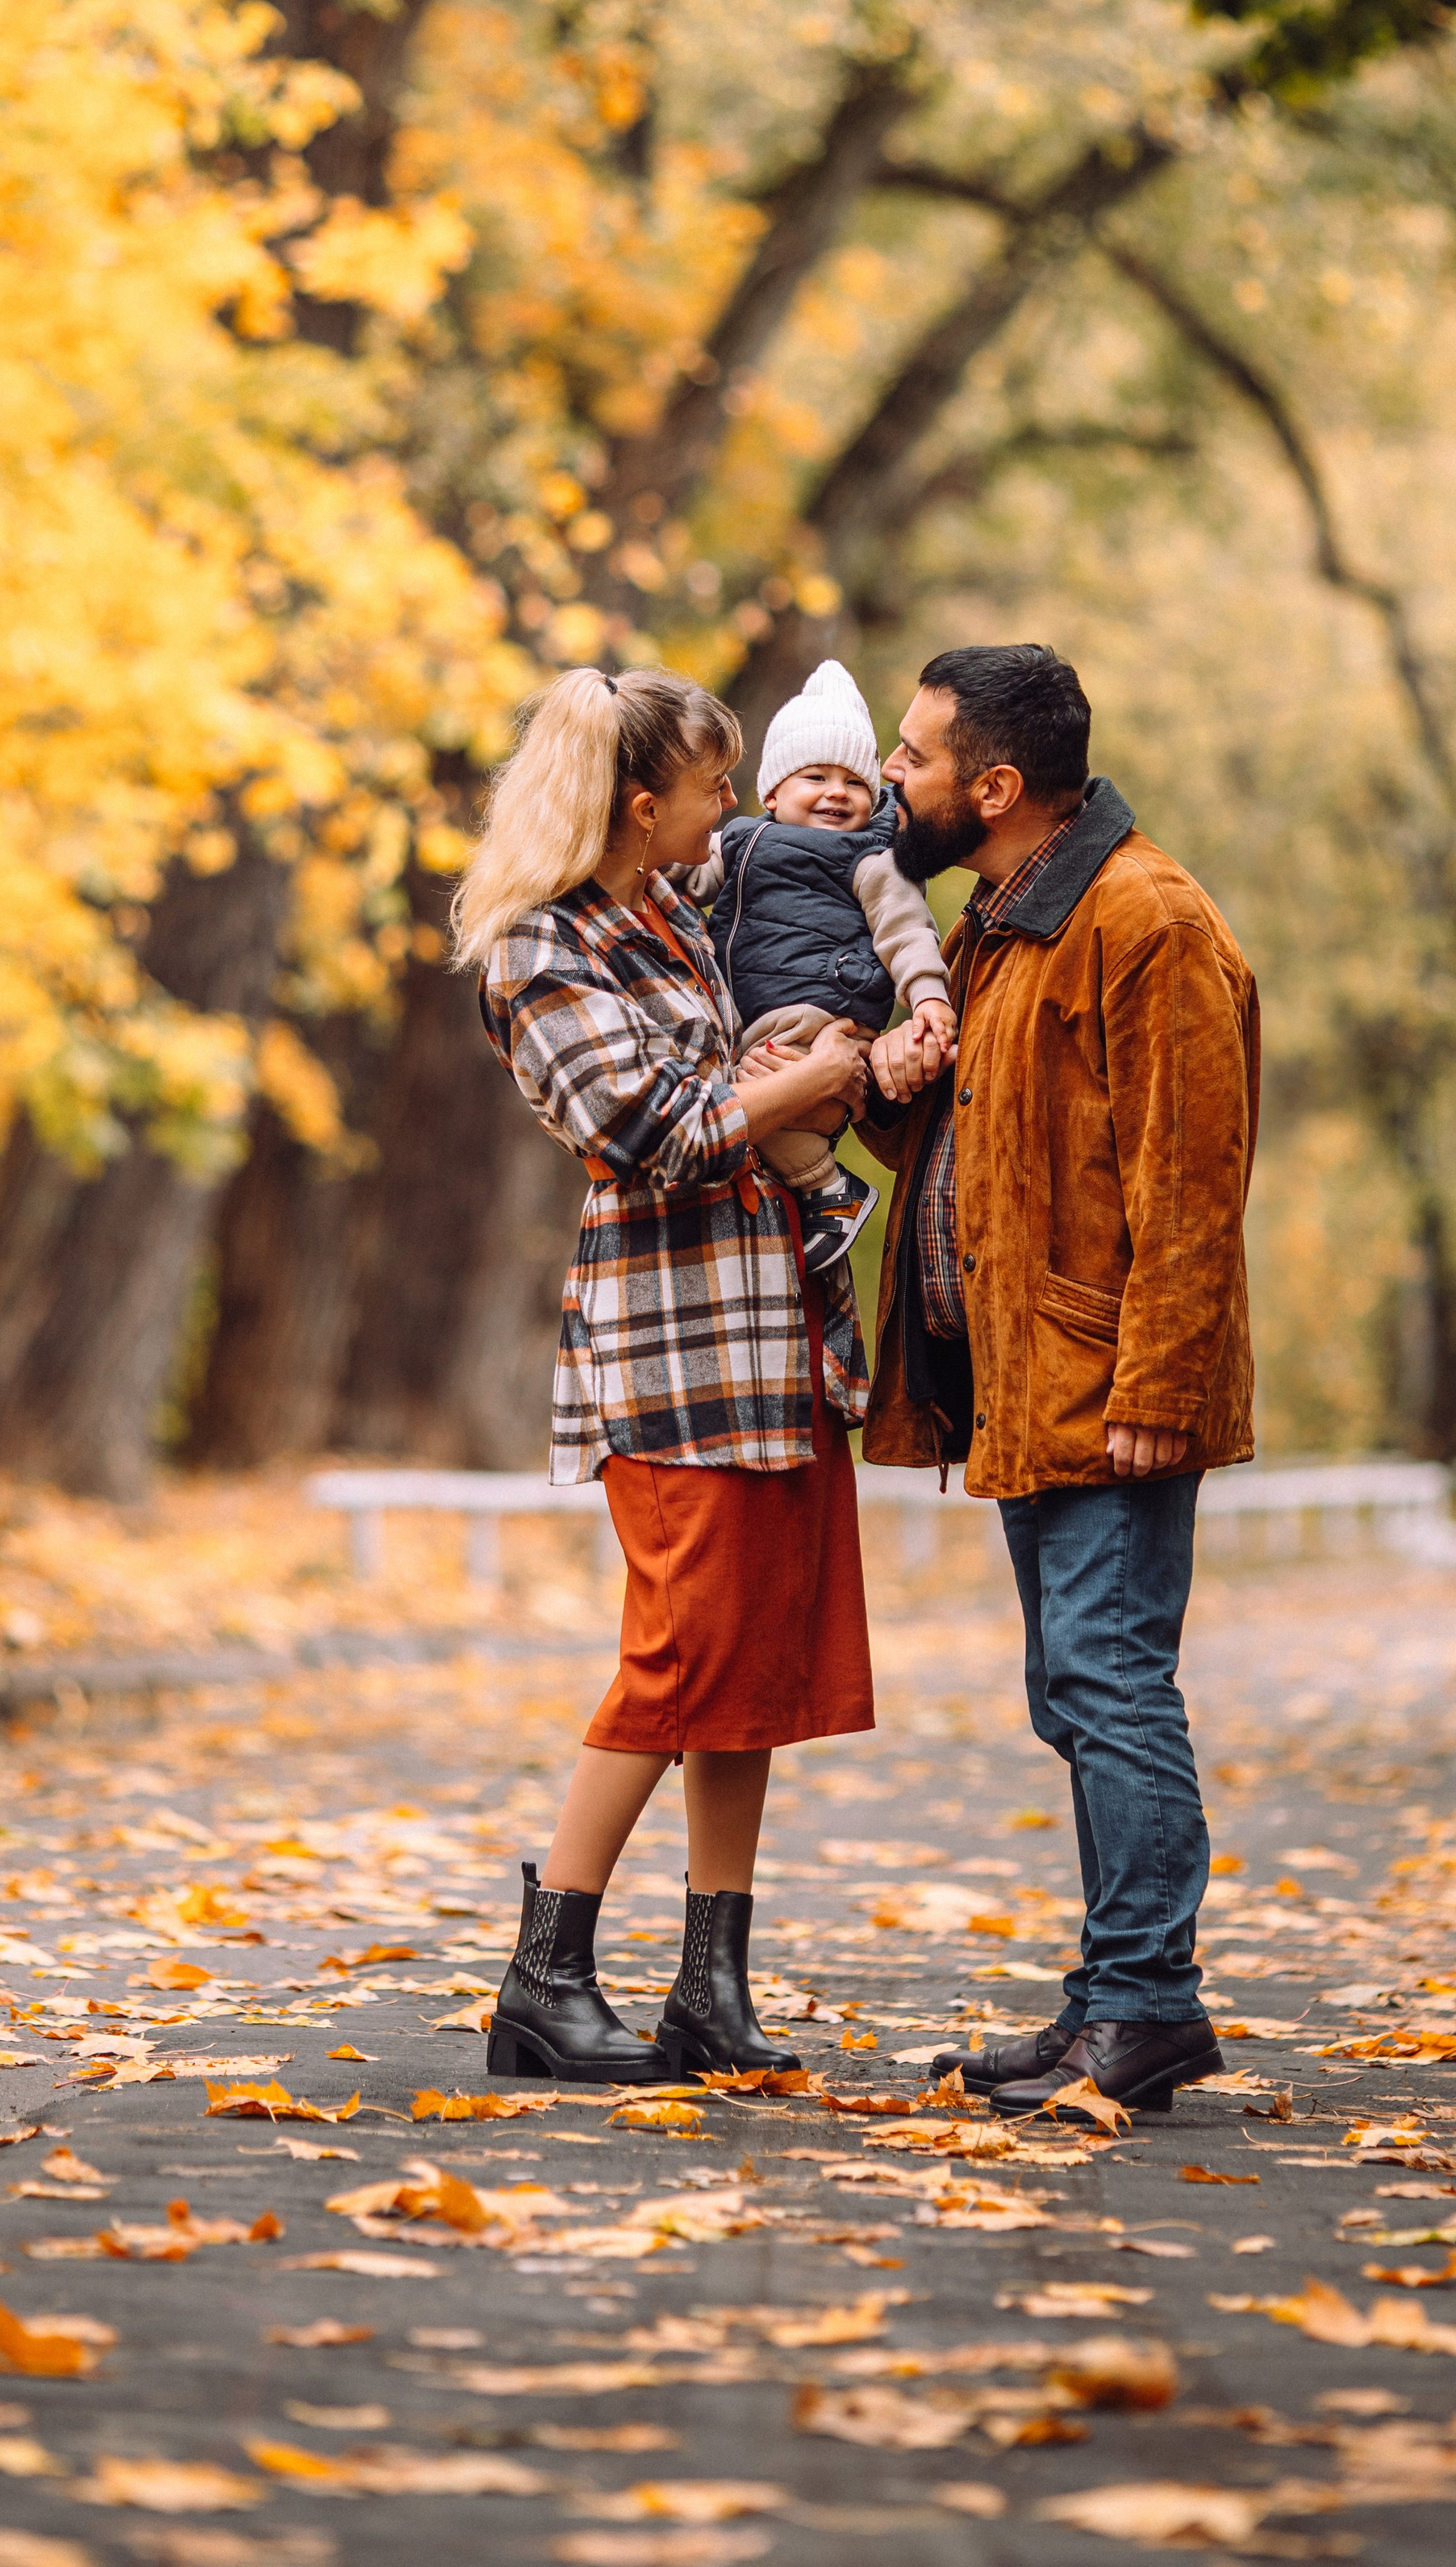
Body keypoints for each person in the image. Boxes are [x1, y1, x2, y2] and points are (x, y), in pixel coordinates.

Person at [454, 666, 877, 2085]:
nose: (733, 804)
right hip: (673, 1342)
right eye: (714, 784)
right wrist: (818, 1082)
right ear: (645, 804)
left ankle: (712, 1985)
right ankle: (544, 1975)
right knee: (679, 1655)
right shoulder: (541, 947)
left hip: (773, 1330)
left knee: (753, 1666)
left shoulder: (675, 913)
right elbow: (654, 1123)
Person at [855, 644, 1258, 2119]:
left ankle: (1150, 2009)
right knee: (1072, 1690)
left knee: (1112, 1682)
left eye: (914, 755)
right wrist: (892, 1093)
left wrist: (1160, 1380)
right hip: (1030, 1382)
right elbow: (989, 1145)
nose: (897, 777)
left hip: (1109, 1388)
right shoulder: (1009, 922)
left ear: (998, 786)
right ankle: (1109, 1998)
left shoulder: (1142, 918)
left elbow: (1192, 1183)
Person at [683, 660, 953, 1273]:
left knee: (746, 1109)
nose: (837, 792)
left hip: (822, 1010)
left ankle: (829, 1188)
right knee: (743, 1103)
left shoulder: (871, 858)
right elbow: (683, 879)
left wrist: (929, 997)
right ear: (773, 793)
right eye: (816, 776)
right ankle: (817, 1189)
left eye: (855, 782)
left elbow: (906, 929)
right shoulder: (740, 843)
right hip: (756, 1014)